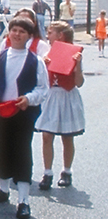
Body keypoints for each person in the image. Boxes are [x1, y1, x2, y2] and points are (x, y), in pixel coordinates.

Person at [0, 17, 48, 219]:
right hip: (1, 112)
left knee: (22, 152)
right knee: (1, 148)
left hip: (23, 113)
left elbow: (42, 89)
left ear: (29, 36)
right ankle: (3, 189)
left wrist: (28, 99)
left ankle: (23, 200)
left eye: (22, 31)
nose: (17, 35)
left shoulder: (35, 61)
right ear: (8, 33)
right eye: (14, 30)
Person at [36, 21, 85, 190]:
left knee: (67, 136)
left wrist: (77, 66)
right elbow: (41, 80)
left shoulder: (74, 53)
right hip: (51, 95)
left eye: (50, 33)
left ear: (60, 36)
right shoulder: (48, 53)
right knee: (47, 136)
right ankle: (47, 172)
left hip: (66, 96)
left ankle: (66, 171)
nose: (48, 36)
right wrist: (44, 64)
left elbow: (79, 83)